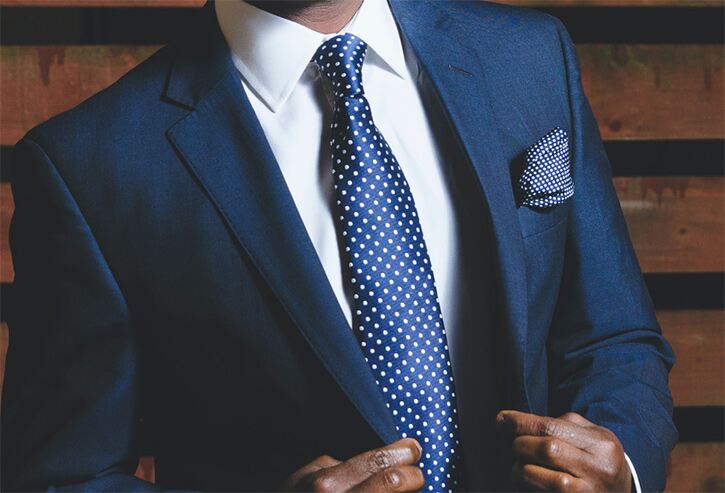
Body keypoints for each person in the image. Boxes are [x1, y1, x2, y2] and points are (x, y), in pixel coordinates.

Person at [1, 0, 677, 491]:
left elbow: (613, 338)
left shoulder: (528, 58)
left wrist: (626, 467)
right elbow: (62, 475)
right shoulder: (90, 164)